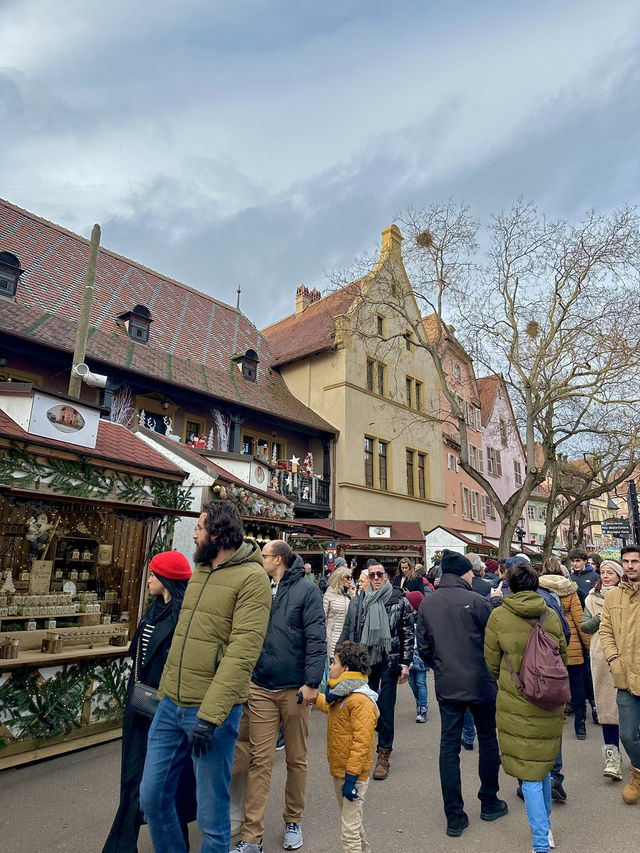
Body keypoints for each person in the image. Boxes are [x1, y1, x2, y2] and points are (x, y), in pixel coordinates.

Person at [139, 501, 272, 853]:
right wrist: (164, 691)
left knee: (212, 820)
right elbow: (183, 635)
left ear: (218, 532)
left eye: (199, 527)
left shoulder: (252, 579)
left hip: (211, 711)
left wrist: (211, 715)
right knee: (151, 798)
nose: (195, 534)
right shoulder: (200, 571)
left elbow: (242, 652)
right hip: (171, 705)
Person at [231, 540, 326, 853]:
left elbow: (316, 638)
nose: (262, 560)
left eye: (266, 556)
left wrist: (312, 682)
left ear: (280, 560)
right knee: (260, 760)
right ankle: (251, 836)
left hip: (295, 689)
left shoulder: (307, 591)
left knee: (296, 758)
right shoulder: (260, 587)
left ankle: (293, 819)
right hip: (260, 687)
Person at [103, 551, 194, 853]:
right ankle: (123, 844)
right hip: (140, 704)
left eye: (154, 574)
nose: (149, 579)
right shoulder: (153, 610)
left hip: (165, 709)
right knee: (132, 777)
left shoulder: (183, 616)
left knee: (168, 781)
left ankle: (174, 841)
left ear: (167, 579)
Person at [416, 550, 506, 838]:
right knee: (488, 741)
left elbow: (424, 647)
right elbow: (495, 642)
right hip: (481, 682)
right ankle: (489, 801)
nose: (473, 576)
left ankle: (454, 815)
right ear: (464, 573)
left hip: (448, 684)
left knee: (449, 748)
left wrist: (440, 667)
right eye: (470, 572)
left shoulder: (428, 604)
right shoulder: (478, 601)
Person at [484, 561, 567, 853]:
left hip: (516, 701)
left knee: (530, 774)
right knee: (542, 766)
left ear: (509, 585)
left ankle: (541, 841)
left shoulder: (498, 616)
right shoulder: (550, 615)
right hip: (549, 701)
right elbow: (563, 656)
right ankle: (546, 828)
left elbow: (492, 663)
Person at [338, 562, 413, 781]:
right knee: (365, 709)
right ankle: (368, 747)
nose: (376, 578)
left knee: (386, 708)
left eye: (380, 574)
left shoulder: (398, 599)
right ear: (368, 578)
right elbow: (350, 629)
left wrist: (406, 662)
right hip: (364, 661)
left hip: (389, 662)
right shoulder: (360, 600)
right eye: (372, 575)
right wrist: (342, 658)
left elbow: (407, 633)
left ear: (387, 576)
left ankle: (383, 754)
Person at [315, 641, 379, 853]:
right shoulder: (342, 694)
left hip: (353, 776)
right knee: (353, 820)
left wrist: (351, 779)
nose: (330, 667)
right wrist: (314, 698)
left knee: (348, 829)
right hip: (340, 770)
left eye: (334, 663)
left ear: (346, 669)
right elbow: (330, 707)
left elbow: (362, 744)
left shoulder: (360, 701)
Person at [600, 544, 640, 805]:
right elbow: (605, 630)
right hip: (625, 675)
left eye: (635, 561)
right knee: (627, 734)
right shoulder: (613, 596)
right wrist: (614, 659)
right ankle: (637, 769)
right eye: (626, 561)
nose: (630, 565)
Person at [581, 558, 626, 780]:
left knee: (630, 708)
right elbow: (584, 627)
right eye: (604, 572)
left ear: (619, 576)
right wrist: (600, 617)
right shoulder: (591, 597)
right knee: (607, 709)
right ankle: (612, 757)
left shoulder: (629, 596)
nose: (606, 576)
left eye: (611, 573)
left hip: (627, 655)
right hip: (601, 656)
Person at [538, 557, 590, 739]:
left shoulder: (539, 589)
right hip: (572, 642)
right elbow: (579, 619)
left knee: (551, 683)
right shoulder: (570, 589)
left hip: (548, 639)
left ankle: (553, 720)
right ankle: (580, 725)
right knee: (577, 684)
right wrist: (588, 645)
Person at [406, 590, 429, 723]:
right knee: (411, 682)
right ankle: (419, 701)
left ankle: (422, 708)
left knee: (421, 682)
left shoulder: (424, 619)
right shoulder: (405, 617)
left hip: (420, 656)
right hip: (409, 657)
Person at [324, 566, 355, 660]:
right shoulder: (329, 594)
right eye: (347, 578)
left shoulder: (349, 594)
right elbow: (323, 616)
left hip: (347, 638)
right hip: (333, 637)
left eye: (351, 578)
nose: (350, 580)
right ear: (340, 578)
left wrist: (353, 595)